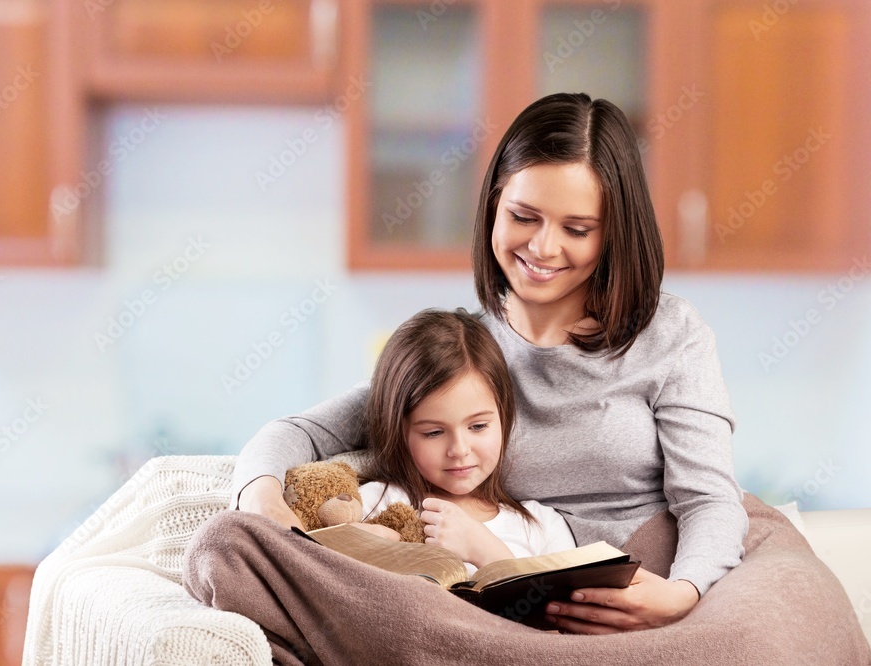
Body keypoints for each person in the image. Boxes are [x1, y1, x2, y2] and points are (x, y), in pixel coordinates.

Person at [189, 92, 749, 648]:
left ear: (614, 232)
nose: (543, 247)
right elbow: (300, 433)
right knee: (231, 545)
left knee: (773, 624)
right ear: (492, 207)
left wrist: (682, 594)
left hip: (649, 584)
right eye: (523, 216)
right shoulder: (469, 351)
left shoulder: (672, 334)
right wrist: (262, 501)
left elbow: (708, 499)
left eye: (577, 229)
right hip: (508, 598)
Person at [354, 308, 576, 567]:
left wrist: (489, 553)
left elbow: (559, 606)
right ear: (399, 431)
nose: (459, 450)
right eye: (434, 433)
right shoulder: (376, 503)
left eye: (478, 426)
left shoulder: (542, 527)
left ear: (504, 418)